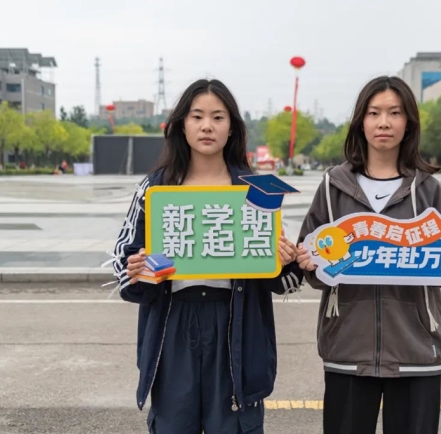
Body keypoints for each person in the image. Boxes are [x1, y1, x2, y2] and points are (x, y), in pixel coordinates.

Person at [295, 76, 441, 434]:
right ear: (361, 122)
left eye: (394, 112)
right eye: (374, 113)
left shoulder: (427, 189)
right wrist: (306, 261)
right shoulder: (332, 186)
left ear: (408, 122)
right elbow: (311, 263)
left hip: (417, 351)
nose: (383, 122)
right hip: (347, 350)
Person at [111, 79, 303, 434]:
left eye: (218, 117)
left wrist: (286, 259)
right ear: (181, 124)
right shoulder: (157, 187)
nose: (207, 126)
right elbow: (124, 261)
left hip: (235, 322)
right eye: (197, 116)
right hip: (174, 324)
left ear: (232, 127)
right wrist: (138, 269)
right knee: (173, 425)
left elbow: (287, 280)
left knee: (233, 425)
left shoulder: (257, 190)